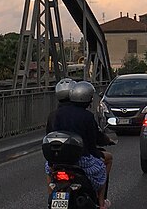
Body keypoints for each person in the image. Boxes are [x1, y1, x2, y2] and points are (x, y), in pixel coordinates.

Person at [47, 81, 113, 209]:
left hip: (57, 160)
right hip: (81, 160)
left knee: (49, 172)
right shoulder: (87, 116)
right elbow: (92, 143)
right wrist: (97, 153)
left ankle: (51, 197)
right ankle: (101, 202)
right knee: (107, 161)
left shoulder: (56, 114)